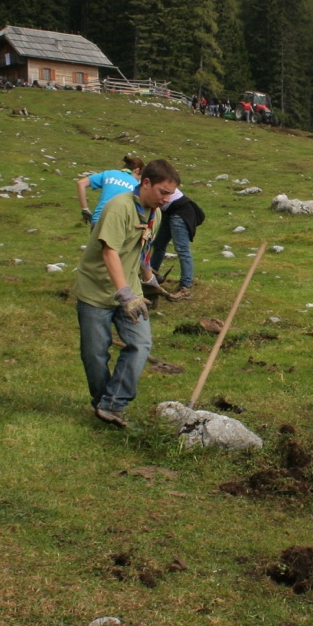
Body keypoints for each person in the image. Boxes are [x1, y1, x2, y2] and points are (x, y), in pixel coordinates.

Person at [73, 158, 180, 428]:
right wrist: (124, 294)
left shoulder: (155, 214)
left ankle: (114, 403)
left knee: (140, 344)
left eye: (171, 194)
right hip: (96, 291)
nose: (166, 199)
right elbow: (109, 251)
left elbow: (141, 250)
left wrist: (149, 280)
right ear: (145, 183)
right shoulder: (119, 207)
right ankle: (102, 404)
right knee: (95, 353)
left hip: (131, 289)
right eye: (163, 192)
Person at [148, 187, 204, 300]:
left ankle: (185, 287)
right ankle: (151, 278)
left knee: (182, 249)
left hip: (180, 213)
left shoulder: (149, 180)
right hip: (169, 212)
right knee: (159, 244)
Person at [77, 155, 144, 225]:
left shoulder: (108, 173)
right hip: (116, 223)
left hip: (98, 219)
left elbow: (81, 183)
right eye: (139, 178)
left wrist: (85, 209)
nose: (139, 180)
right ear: (137, 170)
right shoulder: (136, 185)